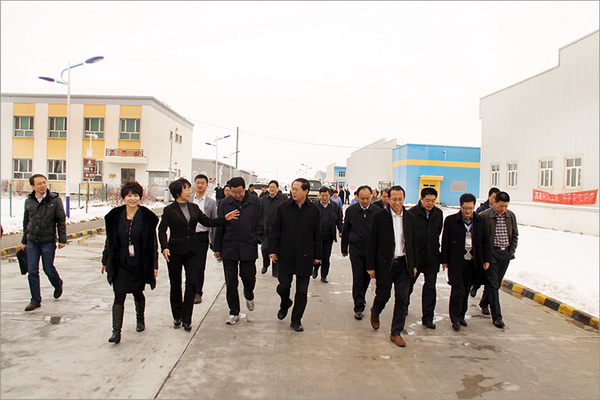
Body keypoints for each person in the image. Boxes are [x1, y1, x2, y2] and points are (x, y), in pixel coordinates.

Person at [158, 178, 239, 331]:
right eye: (187, 189)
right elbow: (162, 230)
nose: (190, 191)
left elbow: (208, 222)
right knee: (175, 284)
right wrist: (164, 247)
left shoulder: (194, 208)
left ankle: (187, 319)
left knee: (191, 283)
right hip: (175, 252)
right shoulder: (169, 210)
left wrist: (224, 219)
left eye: (190, 188)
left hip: (193, 251)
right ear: (178, 192)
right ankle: (177, 315)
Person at [101, 181, 159, 344]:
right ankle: (116, 332)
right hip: (120, 262)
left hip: (139, 263)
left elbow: (153, 244)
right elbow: (109, 241)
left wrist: (154, 265)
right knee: (118, 295)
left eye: (135, 195)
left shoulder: (147, 217)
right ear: (124, 197)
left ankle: (140, 319)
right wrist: (105, 260)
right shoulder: (114, 216)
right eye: (129, 195)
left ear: (140, 197)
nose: (132, 199)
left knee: (137, 292)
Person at [269, 178, 322, 332]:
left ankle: (296, 320)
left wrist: (318, 255)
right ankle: (285, 302)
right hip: (286, 254)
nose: (293, 192)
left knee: (302, 290)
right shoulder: (283, 208)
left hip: (305, 255)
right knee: (283, 286)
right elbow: (275, 230)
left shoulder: (314, 210)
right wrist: (272, 250)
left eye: (296, 189)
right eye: (292, 189)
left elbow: (317, 234)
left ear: (306, 191)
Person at [366, 186, 417, 347]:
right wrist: (371, 266)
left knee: (402, 298)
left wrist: (414, 264)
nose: (397, 202)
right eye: (394, 199)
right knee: (383, 295)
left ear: (404, 199)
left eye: (400, 199)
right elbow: (372, 242)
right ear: (388, 199)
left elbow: (413, 243)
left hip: (403, 264)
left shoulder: (410, 218)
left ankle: (396, 332)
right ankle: (375, 311)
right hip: (385, 264)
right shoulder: (379, 217)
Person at [214, 177, 264, 325]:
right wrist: (217, 247)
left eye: (240, 192)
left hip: (248, 245)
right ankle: (233, 312)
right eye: (234, 192)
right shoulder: (225, 203)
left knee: (249, 277)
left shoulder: (255, 202)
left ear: (245, 188)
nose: (237, 195)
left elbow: (261, 222)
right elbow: (220, 225)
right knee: (231, 282)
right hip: (229, 247)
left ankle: (249, 293)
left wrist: (256, 238)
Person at [441, 193, 491, 331]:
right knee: (457, 290)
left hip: (473, 261)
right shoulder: (451, 221)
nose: (468, 211)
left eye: (470, 208)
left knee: (466, 290)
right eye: (465, 208)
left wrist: (487, 259)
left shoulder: (480, 221)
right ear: (460, 206)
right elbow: (445, 241)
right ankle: (455, 318)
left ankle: (462, 315)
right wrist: (444, 260)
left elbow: (486, 242)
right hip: (456, 261)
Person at [20, 174, 66, 312]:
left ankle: (57, 284)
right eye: (39, 184)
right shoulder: (29, 201)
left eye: (44, 183)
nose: (43, 186)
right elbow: (26, 222)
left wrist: (62, 239)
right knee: (32, 271)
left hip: (48, 241)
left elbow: (61, 220)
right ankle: (35, 300)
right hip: (32, 241)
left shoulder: (55, 200)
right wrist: (24, 241)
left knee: (48, 268)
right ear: (33, 186)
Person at [479, 191, 518, 328]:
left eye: (506, 206)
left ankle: (484, 302)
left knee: (495, 283)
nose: (503, 209)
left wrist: (510, 252)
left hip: (505, 253)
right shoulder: (485, 216)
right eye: (501, 206)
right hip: (492, 254)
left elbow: (515, 235)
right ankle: (497, 317)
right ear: (495, 202)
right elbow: (480, 238)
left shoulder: (510, 216)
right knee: (494, 284)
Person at [341, 185, 381, 320]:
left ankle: (361, 297)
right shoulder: (351, 210)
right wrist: (344, 248)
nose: (365, 201)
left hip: (371, 251)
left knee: (366, 277)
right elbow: (346, 229)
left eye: (367, 198)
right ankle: (358, 306)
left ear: (371, 197)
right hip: (356, 250)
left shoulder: (376, 211)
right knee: (358, 277)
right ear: (357, 197)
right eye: (362, 198)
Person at [407, 187, 443, 329]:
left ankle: (428, 318)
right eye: (427, 200)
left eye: (433, 201)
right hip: (416, 257)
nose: (430, 203)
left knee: (430, 288)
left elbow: (438, 232)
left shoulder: (438, 214)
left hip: (432, 257)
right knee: (408, 285)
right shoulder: (412, 214)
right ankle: (404, 306)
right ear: (421, 199)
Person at [191, 174, 218, 304]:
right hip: (188, 236)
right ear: (194, 184)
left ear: (207, 185)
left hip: (202, 237)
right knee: (189, 265)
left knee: (200, 265)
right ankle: (189, 291)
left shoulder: (211, 203)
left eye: (203, 183)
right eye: (198, 182)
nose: (200, 185)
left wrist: (214, 241)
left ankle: (197, 292)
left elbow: (214, 222)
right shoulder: (188, 199)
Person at [470, 187, 500, 298]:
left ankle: (485, 299)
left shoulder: (500, 211)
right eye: (493, 197)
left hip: (494, 247)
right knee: (482, 270)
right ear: (489, 197)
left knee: (492, 278)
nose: (494, 200)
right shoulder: (482, 211)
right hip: (482, 245)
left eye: (496, 198)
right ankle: (475, 286)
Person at [313, 187, 343, 283]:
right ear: (320, 195)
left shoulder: (335, 206)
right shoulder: (314, 206)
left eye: (326, 195)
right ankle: (316, 268)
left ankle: (324, 275)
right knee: (317, 255)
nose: (325, 198)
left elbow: (339, 220)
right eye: (323, 196)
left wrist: (341, 230)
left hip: (328, 236)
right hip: (316, 236)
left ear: (330, 195)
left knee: (326, 257)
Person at [260, 180, 288, 277]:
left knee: (276, 249)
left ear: (277, 188)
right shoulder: (264, 199)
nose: (272, 189)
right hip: (266, 228)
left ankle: (275, 270)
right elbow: (261, 212)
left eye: (274, 187)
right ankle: (265, 264)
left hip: (277, 228)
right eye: (270, 187)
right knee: (265, 248)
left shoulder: (283, 198)